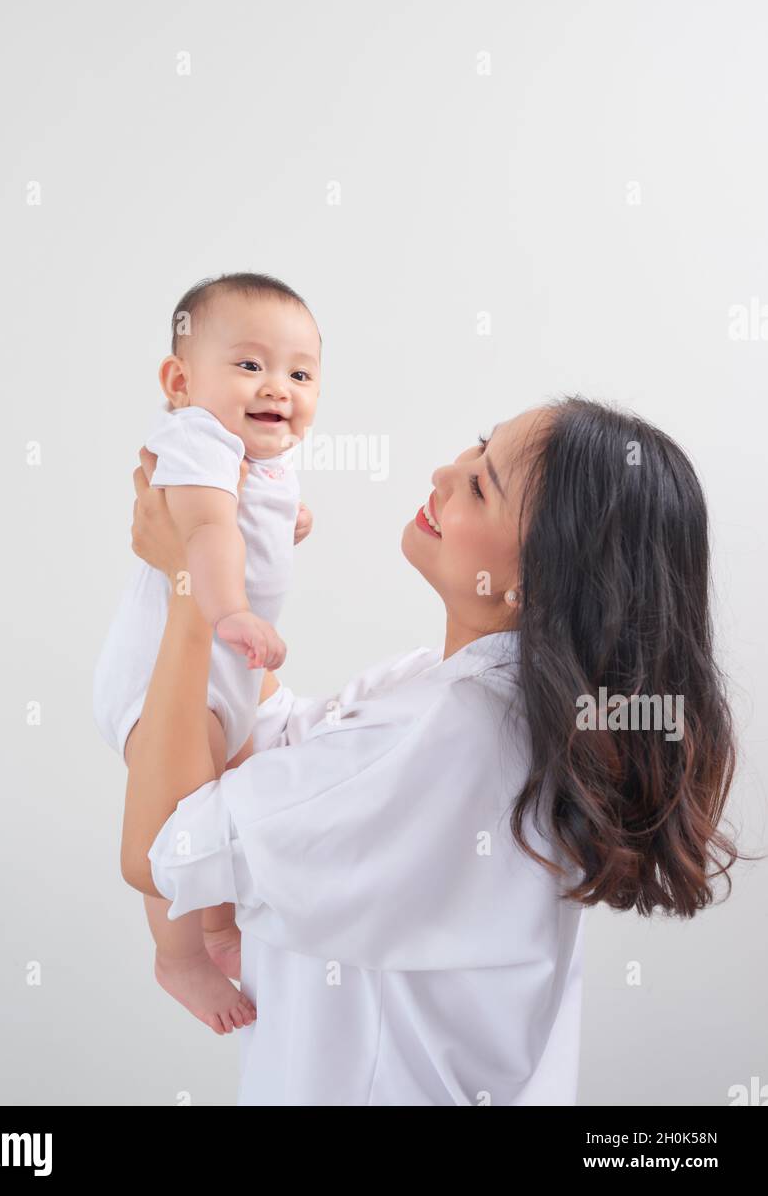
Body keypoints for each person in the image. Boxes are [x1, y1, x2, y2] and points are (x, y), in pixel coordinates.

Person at [118, 396, 740, 1106]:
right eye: (476, 449)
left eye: (480, 485)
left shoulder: (453, 730)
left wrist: (187, 593)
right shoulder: (467, 700)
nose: (445, 472)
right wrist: (237, 569)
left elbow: (159, 852)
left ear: (539, 577)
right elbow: (274, 736)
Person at [94, 272, 322, 1030]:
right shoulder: (196, 437)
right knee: (180, 819)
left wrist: (284, 517)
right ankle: (178, 955)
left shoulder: (254, 461)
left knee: (229, 806)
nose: (277, 388)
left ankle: (220, 925)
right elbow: (206, 535)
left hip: (223, 675)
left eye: (299, 372)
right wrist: (229, 611)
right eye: (250, 365)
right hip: (168, 672)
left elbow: (241, 519)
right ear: (179, 380)